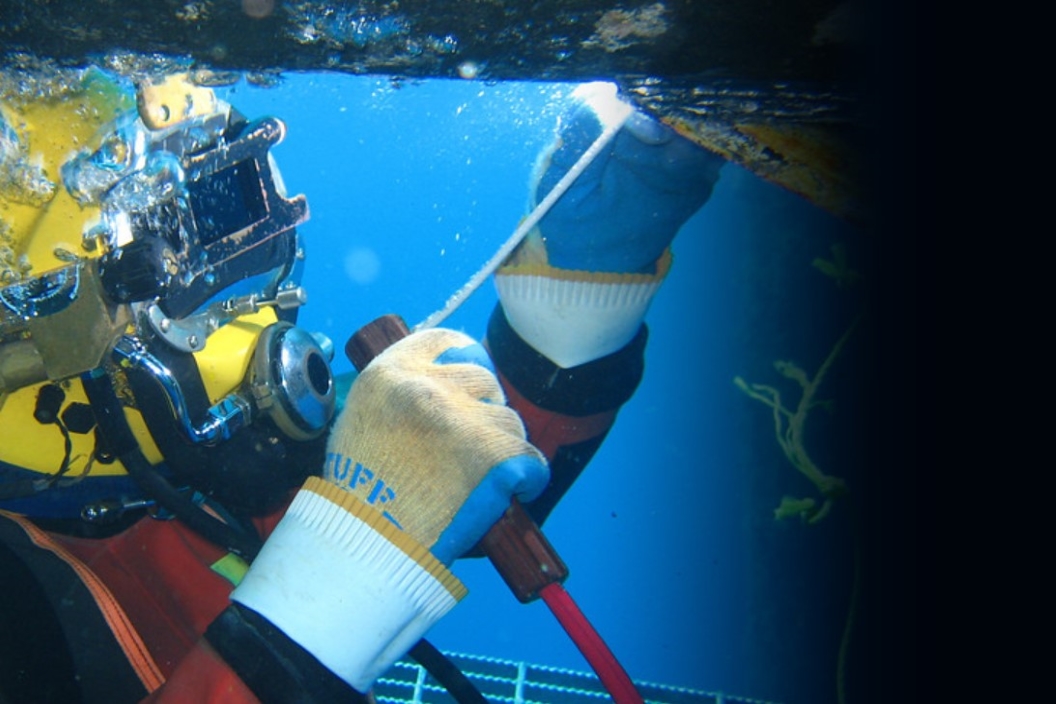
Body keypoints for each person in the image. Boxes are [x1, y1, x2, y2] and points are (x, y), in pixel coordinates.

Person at [0, 69, 724, 702]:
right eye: (189, 281)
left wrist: (575, 304)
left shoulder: (200, 453)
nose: (262, 311)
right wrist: (328, 603)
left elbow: (465, 484)